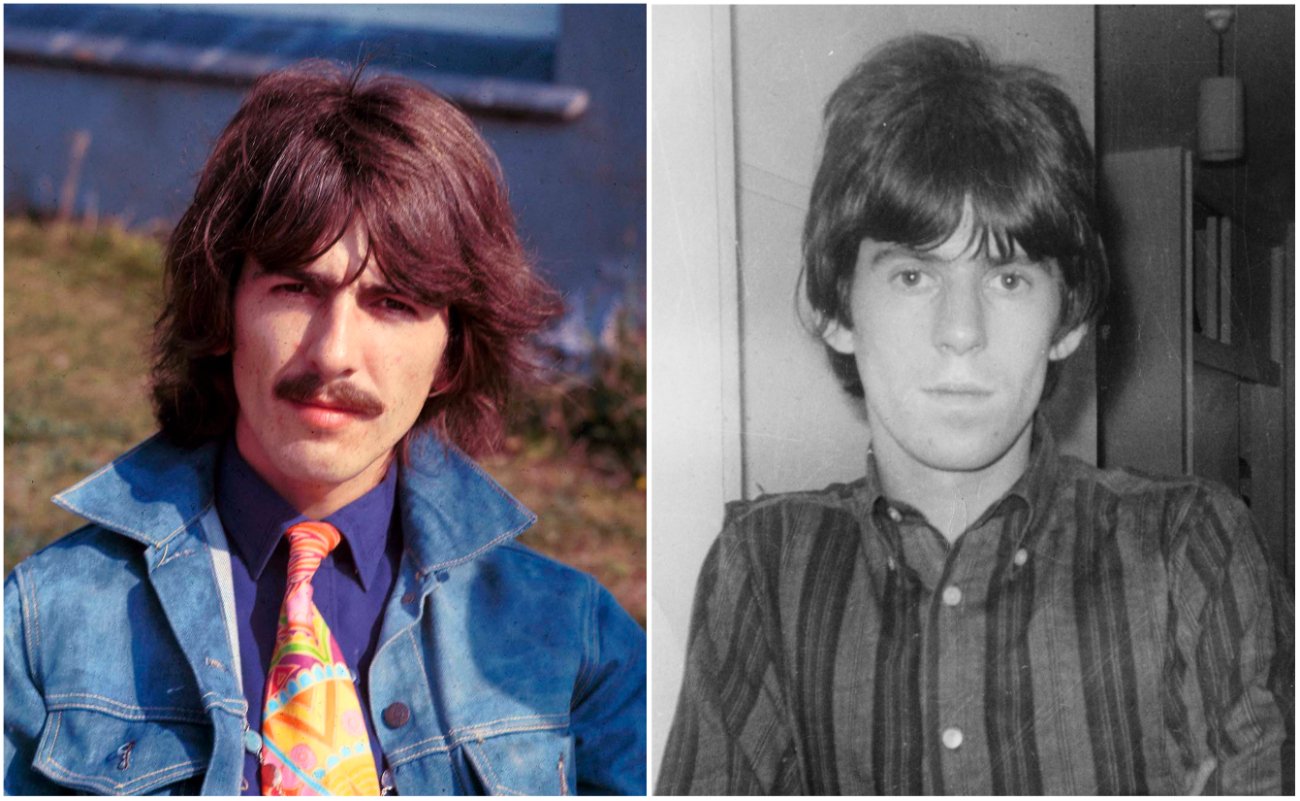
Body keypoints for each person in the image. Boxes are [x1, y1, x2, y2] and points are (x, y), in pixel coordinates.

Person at [657, 34, 1291, 795]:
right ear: (836, 309)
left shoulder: (1196, 550)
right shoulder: (761, 570)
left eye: (1011, 278)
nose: (962, 331)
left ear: (1070, 319)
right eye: (914, 273)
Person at [4, 62, 646, 796]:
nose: (334, 353)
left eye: (394, 303)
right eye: (295, 287)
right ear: (224, 311)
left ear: (451, 354)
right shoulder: (38, 630)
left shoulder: (577, 647)